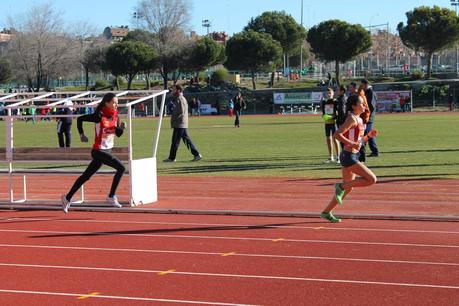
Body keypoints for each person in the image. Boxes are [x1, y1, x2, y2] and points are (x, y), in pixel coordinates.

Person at [61, 93, 126, 213]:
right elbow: (80, 119)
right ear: (106, 103)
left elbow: (118, 134)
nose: (116, 105)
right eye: (114, 102)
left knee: (86, 176)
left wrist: (121, 128)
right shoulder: (99, 115)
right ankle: (111, 196)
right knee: (121, 168)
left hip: (108, 150)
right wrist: (81, 134)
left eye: (117, 102)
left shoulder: (116, 115)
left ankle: (67, 198)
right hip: (98, 151)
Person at [320, 94, 378, 223]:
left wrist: (368, 136)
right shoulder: (351, 118)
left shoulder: (360, 119)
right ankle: (340, 186)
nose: (364, 105)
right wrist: (351, 144)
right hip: (348, 156)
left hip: (353, 155)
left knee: (348, 187)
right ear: (354, 106)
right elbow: (337, 134)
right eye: (362, 103)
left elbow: (358, 141)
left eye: (364, 103)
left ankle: (326, 212)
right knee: (371, 179)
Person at [163, 84, 202, 162]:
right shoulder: (178, 98)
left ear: (178, 90)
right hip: (180, 123)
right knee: (186, 140)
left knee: (175, 141)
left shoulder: (181, 99)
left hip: (180, 123)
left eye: (174, 89)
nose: (172, 91)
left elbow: (181, 111)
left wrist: (172, 110)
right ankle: (197, 155)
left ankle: (172, 158)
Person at [321, 88, 340, 163]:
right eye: (327, 93)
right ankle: (330, 157)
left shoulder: (335, 102)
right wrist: (324, 116)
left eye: (330, 93)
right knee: (328, 139)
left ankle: (338, 157)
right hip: (327, 123)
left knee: (335, 139)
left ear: (333, 94)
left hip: (334, 123)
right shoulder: (324, 102)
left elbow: (338, 113)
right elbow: (323, 112)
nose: (328, 94)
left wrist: (332, 117)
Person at [361, 79, 379, 157]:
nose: (361, 86)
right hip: (367, 117)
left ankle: (366, 151)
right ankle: (374, 151)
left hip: (368, 117)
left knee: (367, 134)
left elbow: (371, 106)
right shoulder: (367, 92)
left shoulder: (370, 92)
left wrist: (365, 113)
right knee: (369, 134)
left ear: (366, 84)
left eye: (362, 84)